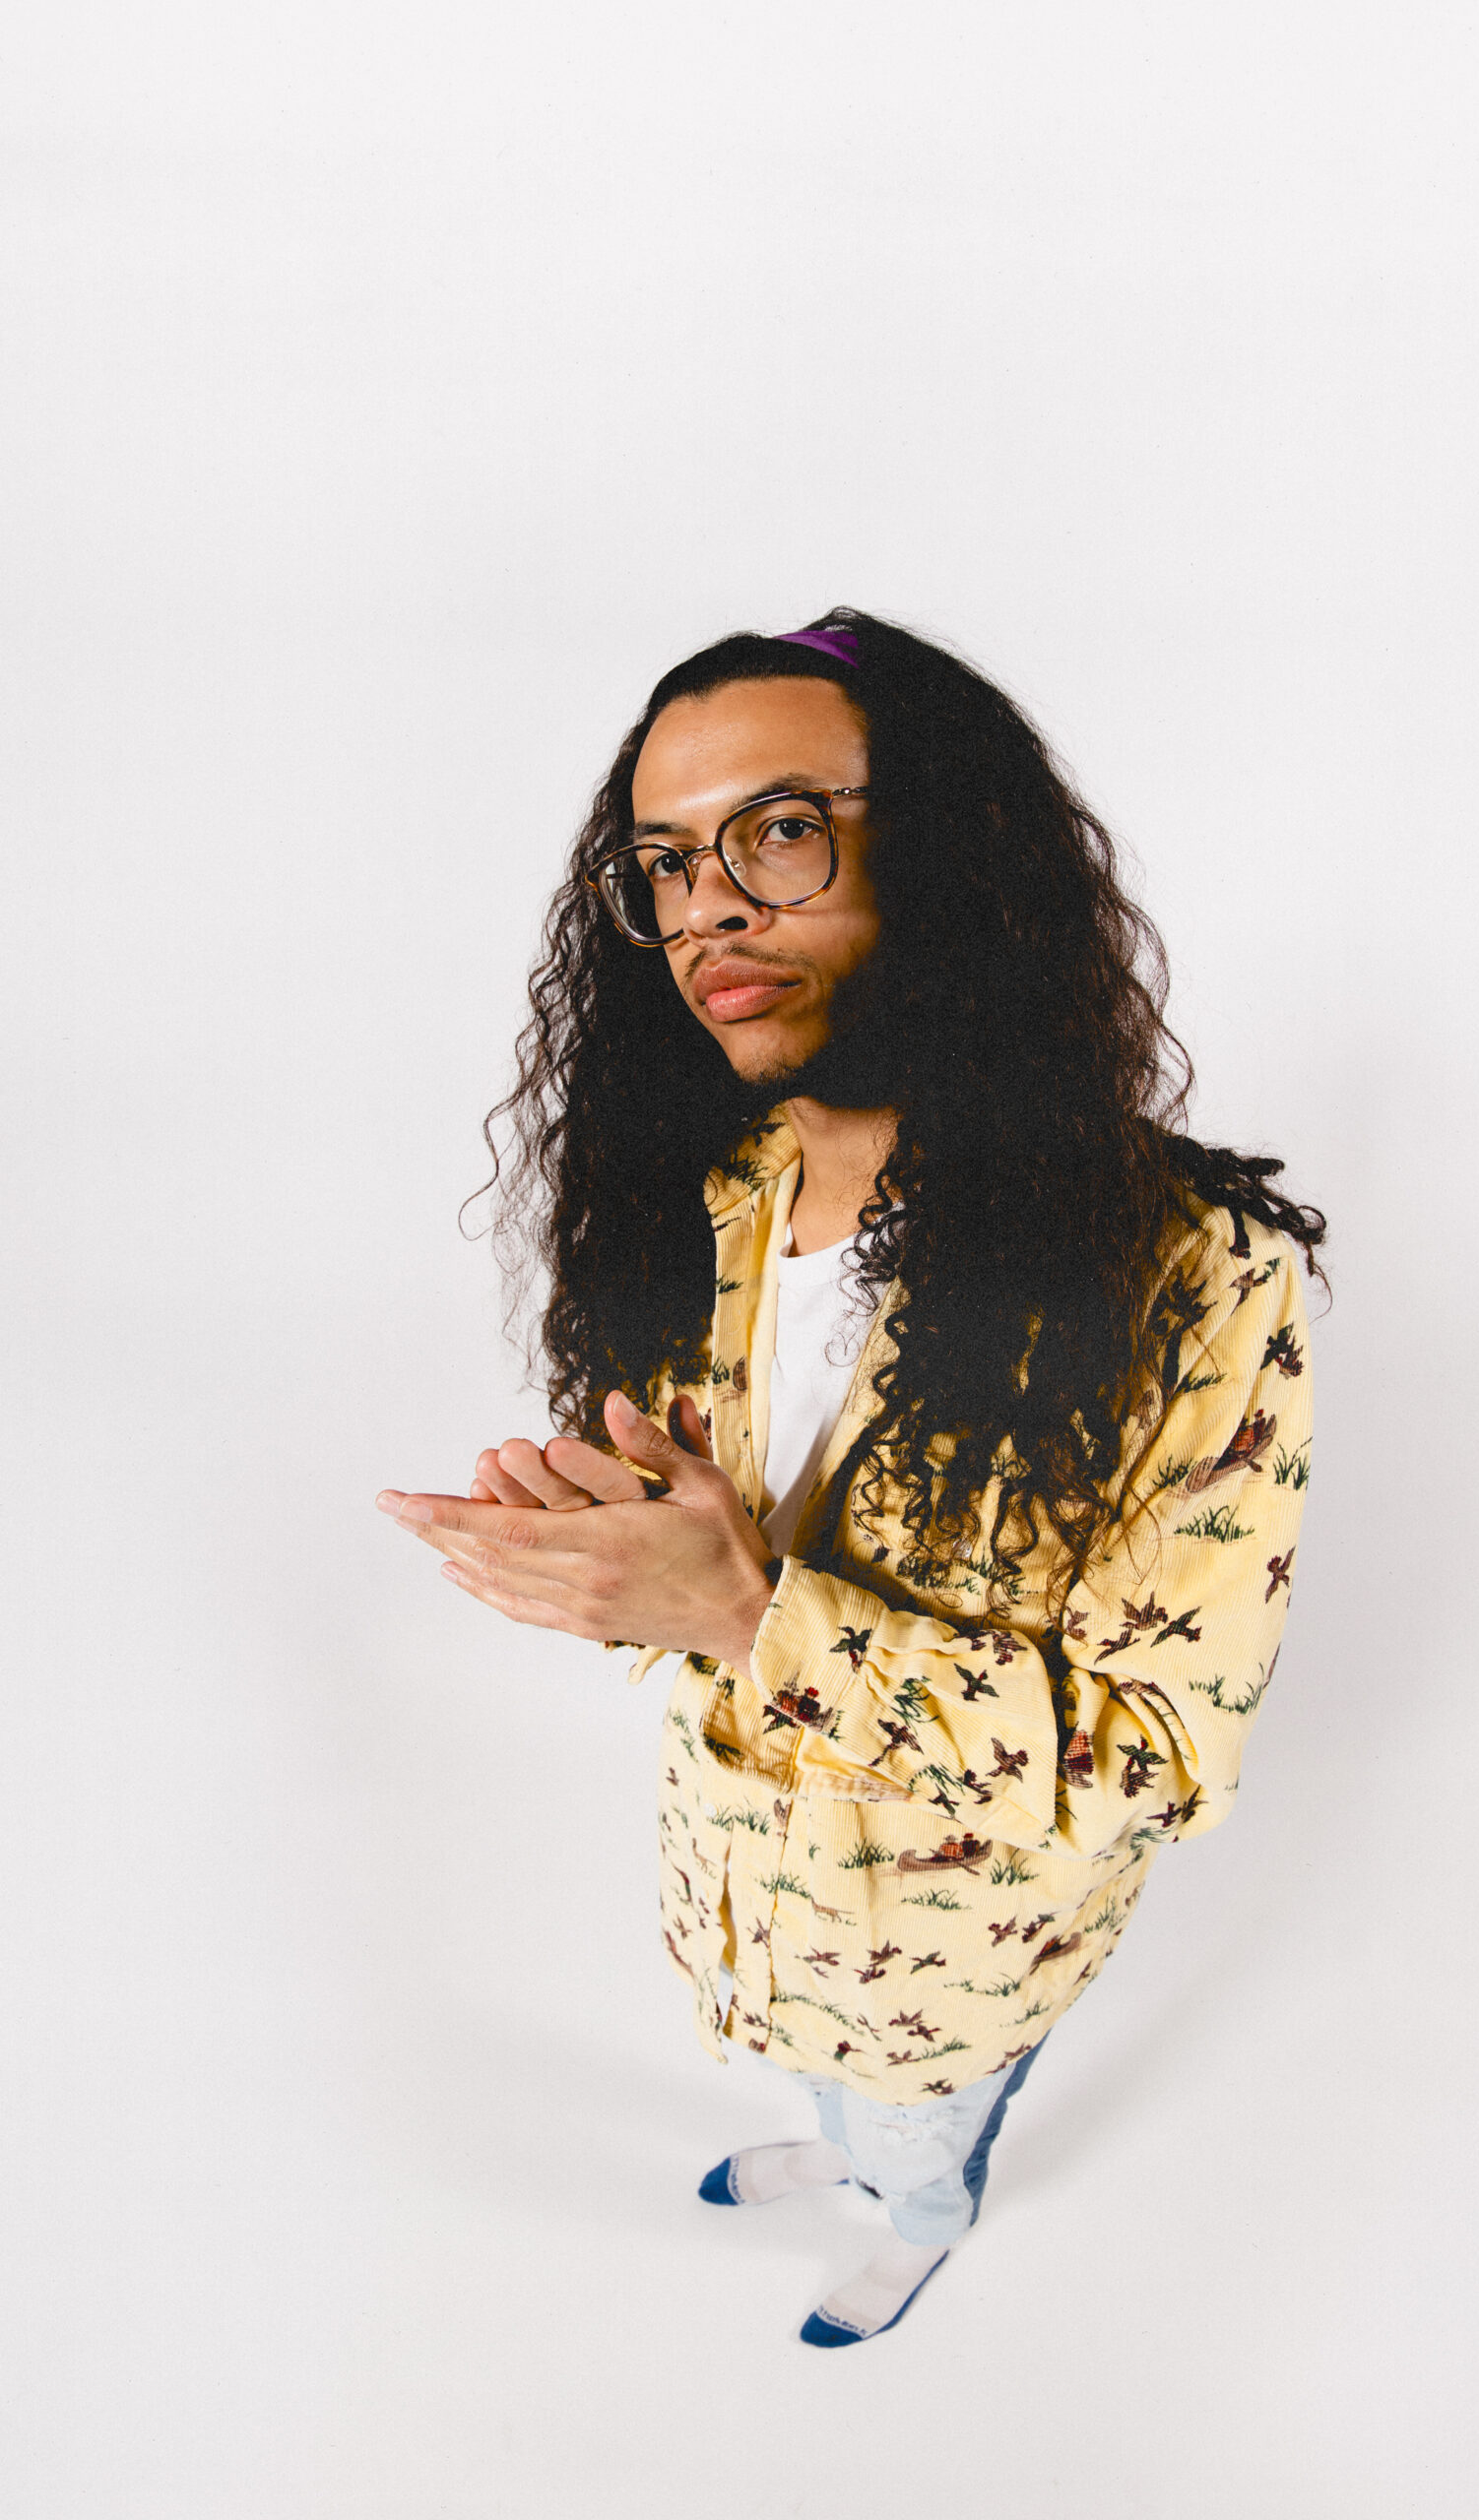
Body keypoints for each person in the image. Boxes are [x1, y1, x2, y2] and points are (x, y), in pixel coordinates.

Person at [376, 609, 1324, 2347]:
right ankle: (856, 2148)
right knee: (825, 2089)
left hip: (957, 1957)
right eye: (665, 863)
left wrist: (752, 1612)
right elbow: (722, 1561)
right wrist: (623, 1564)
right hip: (754, 1893)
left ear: (956, 853)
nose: (706, 909)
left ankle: (923, 2217)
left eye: (781, 829)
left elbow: (1167, 1760)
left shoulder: (1189, 1270)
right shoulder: (721, 1192)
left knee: (915, 2128)